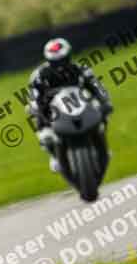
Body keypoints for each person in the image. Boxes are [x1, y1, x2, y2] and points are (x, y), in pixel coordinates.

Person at [27, 38, 113, 173]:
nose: (60, 65)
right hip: (53, 110)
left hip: (80, 103)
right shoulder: (38, 75)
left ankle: (101, 145)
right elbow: (33, 96)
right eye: (55, 62)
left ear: (69, 56)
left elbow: (96, 85)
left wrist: (105, 100)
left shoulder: (81, 69)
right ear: (48, 60)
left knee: (102, 112)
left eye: (63, 60)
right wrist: (36, 109)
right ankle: (54, 155)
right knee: (40, 125)